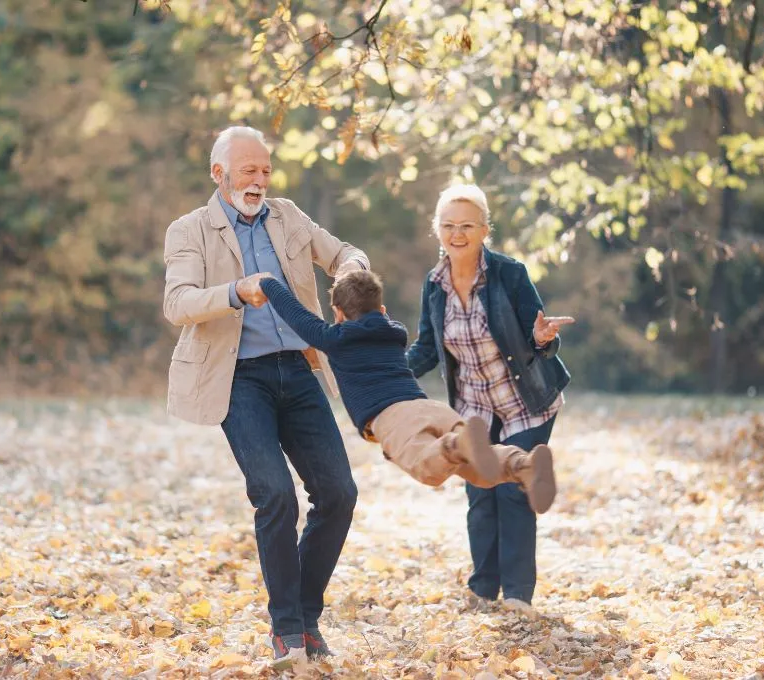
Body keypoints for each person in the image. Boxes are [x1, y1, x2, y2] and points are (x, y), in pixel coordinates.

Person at [161, 125, 369, 668]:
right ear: (219, 174)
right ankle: (287, 632)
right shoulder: (189, 231)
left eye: (264, 170)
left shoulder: (288, 215)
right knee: (275, 495)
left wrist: (351, 274)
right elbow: (178, 302)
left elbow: (345, 251)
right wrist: (235, 291)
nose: (258, 180)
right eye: (247, 170)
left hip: (299, 372)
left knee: (339, 493)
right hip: (238, 378)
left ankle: (305, 615)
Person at [256, 270, 557, 511]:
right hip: (428, 406)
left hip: (391, 417)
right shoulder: (394, 333)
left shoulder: (336, 337)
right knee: (481, 469)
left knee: (427, 467)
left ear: (338, 313)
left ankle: (457, 443)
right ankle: (523, 465)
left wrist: (268, 283)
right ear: (382, 311)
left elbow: (297, 316)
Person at [406, 184, 574, 611]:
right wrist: (389, 375)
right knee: (480, 492)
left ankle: (517, 595)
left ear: (484, 230)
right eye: (448, 226)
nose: (456, 234)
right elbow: (428, 348)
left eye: (466, 225)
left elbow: (538, 335)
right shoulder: (434, 284)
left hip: (524, 402)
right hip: (474, 408)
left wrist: (541, 337)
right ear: (437, 230)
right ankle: (483, 587)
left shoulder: (508, 273)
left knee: (512, 490)